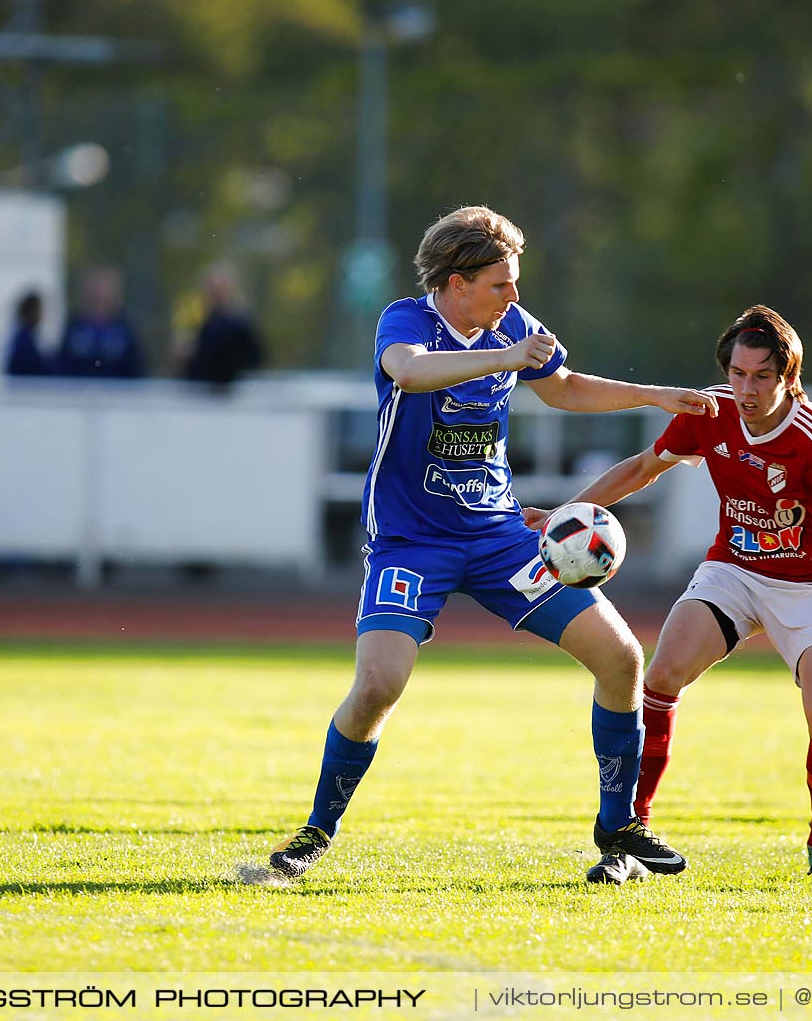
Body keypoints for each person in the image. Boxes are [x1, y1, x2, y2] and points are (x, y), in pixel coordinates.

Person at [259, 206, 718, 884]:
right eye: (501, 284)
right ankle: (315, 833)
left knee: (620, 658)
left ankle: (619, 827)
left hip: (502, 540)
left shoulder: (513, 322)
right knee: (378, 686)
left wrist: (655, 397)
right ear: (456, 282)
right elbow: (409, 371)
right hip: (412, 543)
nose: (515, 298)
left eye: (515, 284)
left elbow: (561, 387)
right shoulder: (408, 320)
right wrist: (505, 354)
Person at [526, 305, 812, 891]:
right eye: (737, 373)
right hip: (733, 572)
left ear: (789, 376)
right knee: (659, 677)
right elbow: (642, 468)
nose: (746, 389)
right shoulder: (712, 412)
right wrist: (564, 519)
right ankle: (632, 836)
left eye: (761, 376)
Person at [182, 262, 264, 388]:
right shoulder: (209, 322)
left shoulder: (236, 325)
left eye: (218, 289)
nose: (213, 294)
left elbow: (252, 361)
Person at [56, 267, 145, 378]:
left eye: (104, 290)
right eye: (96, 288)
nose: (99, 293)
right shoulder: (74, 328)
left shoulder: (126, 331)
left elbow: (137, 370)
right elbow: (61, 366)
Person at [5, 290, 51, 377]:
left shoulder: (27, 337)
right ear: (31, 312)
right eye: (39, 310)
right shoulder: (23, 340)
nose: (42, 314)